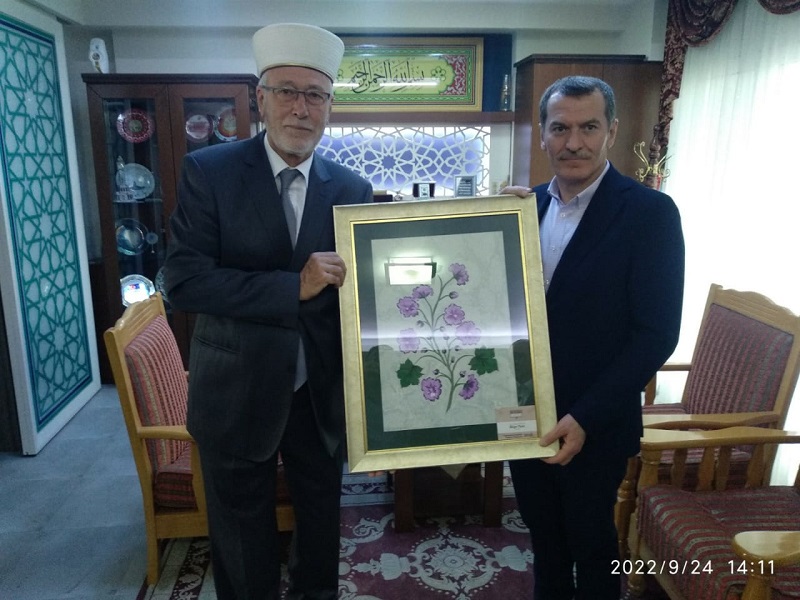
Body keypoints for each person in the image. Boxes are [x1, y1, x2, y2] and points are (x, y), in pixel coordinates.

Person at [163, 23, 373, 600]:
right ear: (261, 98)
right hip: (235, 389)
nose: (301, 108)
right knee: (240, 536)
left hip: (318, 392)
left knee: (321, 526)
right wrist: (292, 287)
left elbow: (367, 287)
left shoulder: (351, 187)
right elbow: (184, 282)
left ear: (330, 106)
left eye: (315, 95)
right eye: (287, 91)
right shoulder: (211, 172)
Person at [503, 76, 685, 599]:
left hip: (596, 421)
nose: (574, 142)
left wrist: (585, 416)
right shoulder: (526, 209)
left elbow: (656, 334)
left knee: (593, 545)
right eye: (560, 128)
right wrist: (489, 226)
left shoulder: (649, 214)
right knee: (544, 540)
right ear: (542, 134)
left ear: (612, 131)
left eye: (589, 127)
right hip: (527, 415)